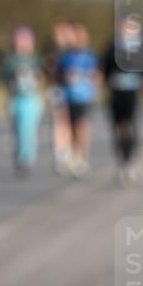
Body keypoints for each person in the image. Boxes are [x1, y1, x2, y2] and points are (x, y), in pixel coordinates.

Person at [101, 15, 143, 185]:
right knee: (118, 127)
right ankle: (122, 159)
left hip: (132, 92)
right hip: (115, 92)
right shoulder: (113, 45)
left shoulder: (140, 46)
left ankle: (131, 157)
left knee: (129, 125)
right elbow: (105, 67)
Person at [0, 25, 45, 175]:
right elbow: (2, 77)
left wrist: (36, 76)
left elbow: (44, 77)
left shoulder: (36, 59)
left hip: (31, 98)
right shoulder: (10, 60)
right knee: (17, 130)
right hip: (15, 97)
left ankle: (27, 159)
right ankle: (19, 156)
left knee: (28, 128)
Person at [55, 22, 99, 176]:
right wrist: (65, 76)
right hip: (69, 95)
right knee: (70, 127)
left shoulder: (89, 55)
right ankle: (73, 153)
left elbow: (96, 74)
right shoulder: (65, 56)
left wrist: (90, 79)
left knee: (81, 126)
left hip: (84, 96)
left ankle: (81, 156)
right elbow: (58, 75)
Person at [44, 20, 75, 175]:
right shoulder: (53, 51)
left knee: (70, 121)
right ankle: (60, 152)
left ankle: (69, 149)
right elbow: (46, 69)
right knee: (58, 120)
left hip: (71, 90)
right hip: (57, 88)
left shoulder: (73, 50)